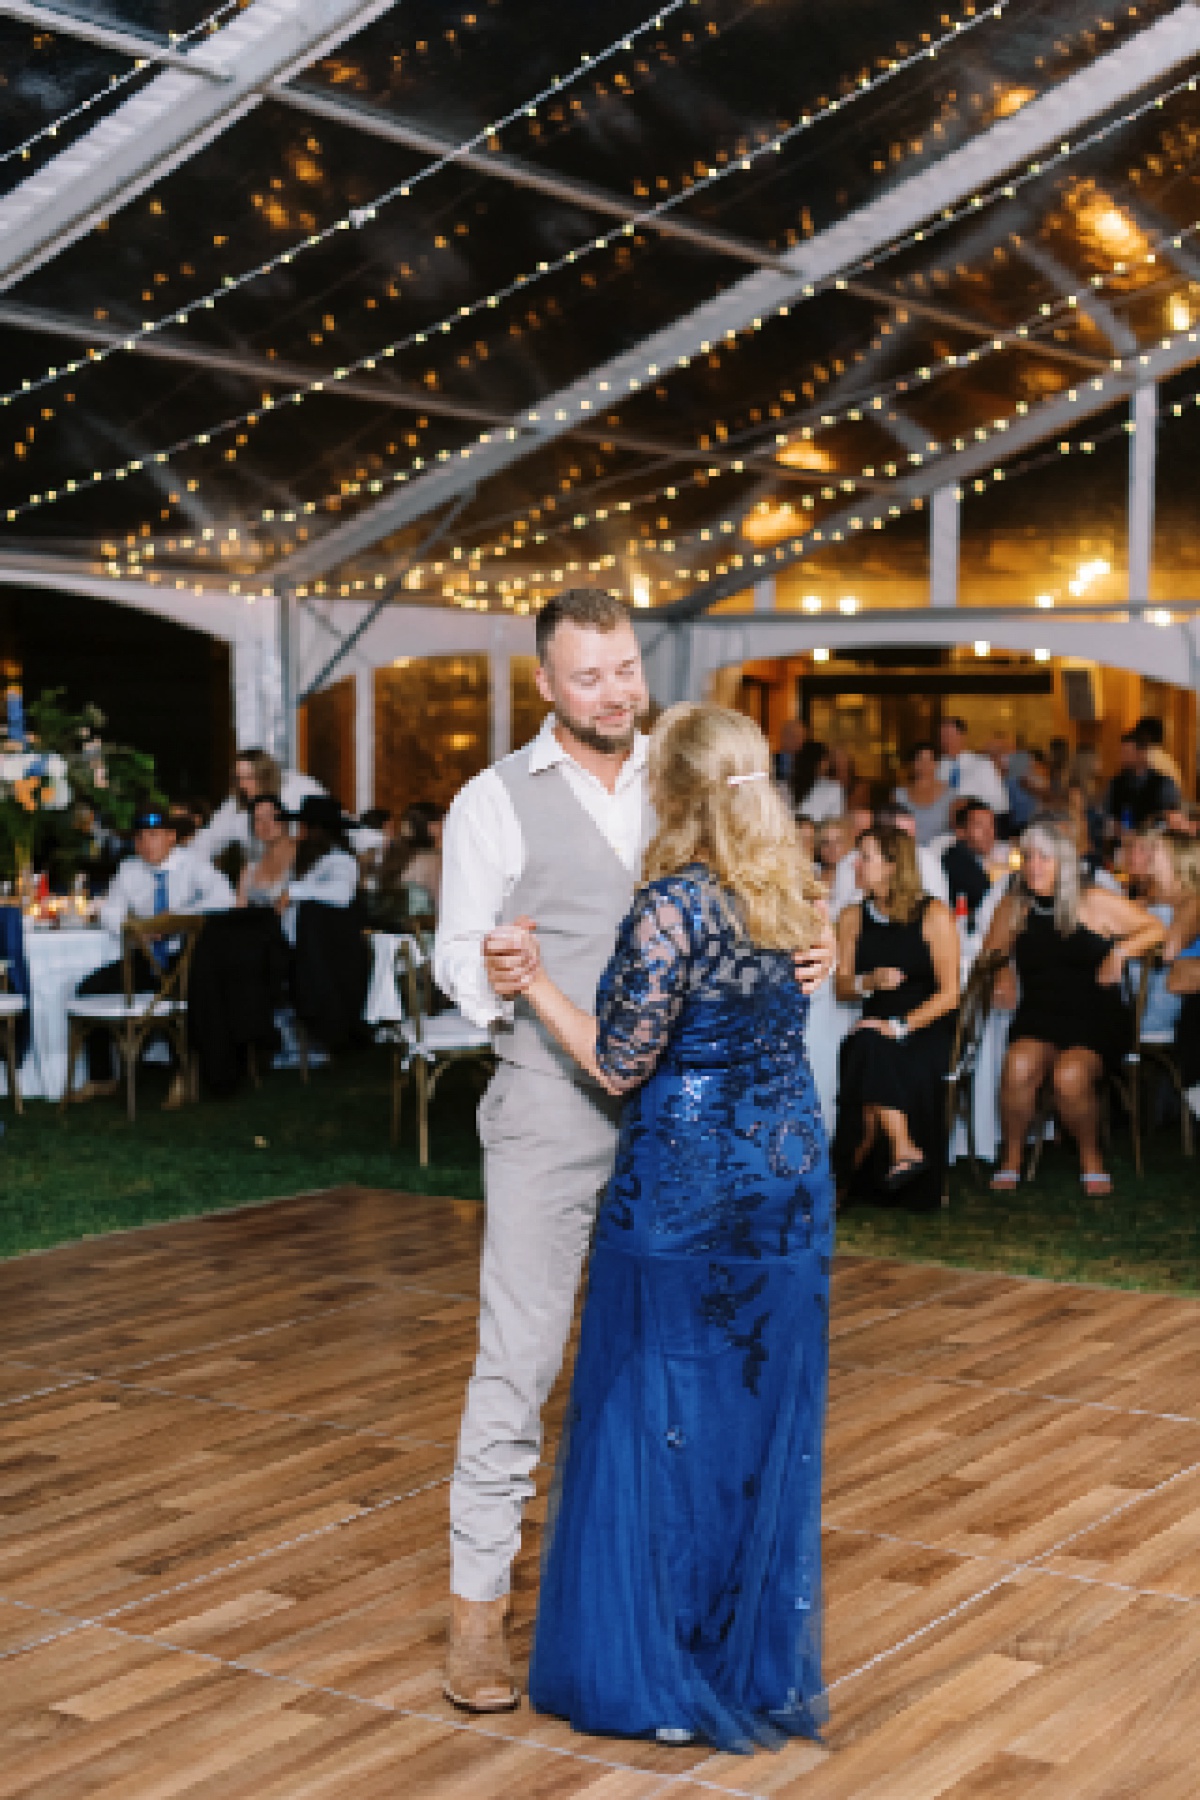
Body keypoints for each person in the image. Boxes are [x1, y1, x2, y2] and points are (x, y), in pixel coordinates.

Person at [432, 587, 834, 1717]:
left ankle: (666, 1616)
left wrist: (825, 933)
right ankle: (479, 1618)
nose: (618, 692)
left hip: (690, 1136)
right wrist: (497, 968)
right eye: (592, 676)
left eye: (626, 668)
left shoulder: (692, 763)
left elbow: (785, 877)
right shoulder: (492, 801)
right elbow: (456, 955)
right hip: (556, 1113)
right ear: (549, 687)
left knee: (677, 1376)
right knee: (523, 1362)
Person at [512, 702, 832, 1749]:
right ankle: (734, 1661)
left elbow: (616, 1062)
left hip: (686, 1192)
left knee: (655, 1416)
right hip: (784, 1187)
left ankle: (656, 1670)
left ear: (674, 793)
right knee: (750, 1421)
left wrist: (535, 989)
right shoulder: (795, 895)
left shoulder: (673, 907)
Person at [982, 821, 1165, 1195]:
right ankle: (1012, 1156)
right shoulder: (1015, 905)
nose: (1034, 866)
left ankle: (1089, 1156)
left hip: (1095, 1017)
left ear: (1063, 863)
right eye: (1028, 857)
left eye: (1044, 858)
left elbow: (1155, 930)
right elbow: (992, 952)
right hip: (1039, 1013)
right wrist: (1002, 974)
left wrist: (1120, 951)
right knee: (1017, 1064)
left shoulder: (1092, 901)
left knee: (1069, 1075)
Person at [833, 827, 959, 1206]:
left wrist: (899, 1026)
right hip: (875, 1022)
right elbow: (841, 987)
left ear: (892, 866)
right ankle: (903, 1151)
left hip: (926, 1023)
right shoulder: (853, 916)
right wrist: (869, 981)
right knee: (866, 1044)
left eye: (866, 857)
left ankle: (842, 1181)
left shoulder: (932, 913)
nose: (856, 863)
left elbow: (951, 993)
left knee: (867, 1052)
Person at [74, 806, 234, 1105]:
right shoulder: (129, 869)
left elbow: (224, 897)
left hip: (182, 958)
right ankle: (102, 1077)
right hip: (146, 956)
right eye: (140, 838)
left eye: (154, 836)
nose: (146, 844)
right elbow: (110, 911)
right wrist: (134, 930)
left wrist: (177, 919)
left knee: (186, 999)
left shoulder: (193, 864)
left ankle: (183, 1075)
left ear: (171, 837)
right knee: (87, 990)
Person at [192, 747, 323, 864]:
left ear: (265, 776)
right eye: (239, 778)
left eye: (249, 777)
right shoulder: (235, 804)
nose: (243, 785)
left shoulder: (300, 788)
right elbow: (209, 839)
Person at [1104, 726, 1180, 834]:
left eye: (1127, 753)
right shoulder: (1116, 783)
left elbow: (1171, 820)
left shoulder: (1164, 784)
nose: (1122, 757)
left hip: (1152, 843)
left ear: (1141, 754)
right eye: (1122, 752)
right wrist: (1113, 826)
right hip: (1120, 843)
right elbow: (1107, 815)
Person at [941, 800, 998, 932]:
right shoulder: (957, 862)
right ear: (961, 832)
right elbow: (990, 901)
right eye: (979, 826)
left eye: (991, 825)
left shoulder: (969, 857)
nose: (988, 833)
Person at [936, 715, 1007, 816]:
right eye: (942, 736)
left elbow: (999, 804)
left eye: (950, 735)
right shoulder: (935, 767)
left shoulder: (982, 764)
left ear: (962, 736)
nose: (946, 740)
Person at [236, 794, 295, 908]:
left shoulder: (304, 857)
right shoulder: (250, 870)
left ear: (284, 820)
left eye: (270, 816)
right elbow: (239, 914)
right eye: (258, 819)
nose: (265, 824)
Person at [893, 740, 951, 846]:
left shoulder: (950, 793)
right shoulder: (899, 795)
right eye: (920, 760)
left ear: (937, 764)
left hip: (941, 854)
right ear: (912, 764)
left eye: (929, 760)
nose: (925, 765)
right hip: (909, 854)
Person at [788, 739, 843, 823]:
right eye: (825, 760)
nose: (828, 765)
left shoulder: (787, 784)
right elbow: (835, 821)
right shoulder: (833, 788)